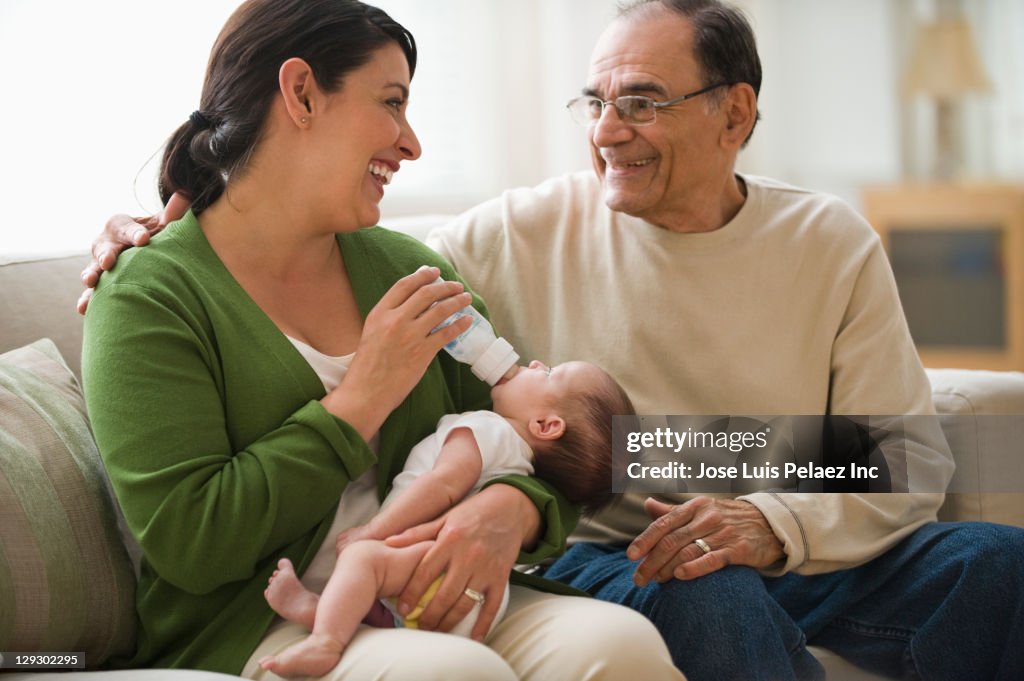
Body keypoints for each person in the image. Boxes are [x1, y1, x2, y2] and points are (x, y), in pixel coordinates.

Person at [82, 1, 1024, 680]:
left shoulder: (827, 240)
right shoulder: (513, 232)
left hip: (786, 542)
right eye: (595, 102)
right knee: (707, 592)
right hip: (622, 550)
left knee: (995, 562)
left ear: (733, 114)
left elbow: (901, 453)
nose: (607, 131)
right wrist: (135, 233)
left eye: (644, 101)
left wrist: (769, 520)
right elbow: (294, 250)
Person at [78, 1, 684, 680]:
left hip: (433, 593)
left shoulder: (405, 268)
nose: (412, 142)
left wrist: (512, 507)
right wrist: (361, 397)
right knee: (452, 673)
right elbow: (193, 541)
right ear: (301, 93)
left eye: (643, 104)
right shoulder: (150, 295)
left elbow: (558, 440)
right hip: (266, 620)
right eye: (392, 102)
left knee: (619, 643)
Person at [259, 359, 633, 677]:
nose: (535, 363)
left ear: (546, 426)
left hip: (432, 574)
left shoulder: (490, 431)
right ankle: (330, 613)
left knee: (363, 559)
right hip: (471, 602)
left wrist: (372, 531)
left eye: (549, 372)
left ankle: (327, 639)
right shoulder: (522, 464)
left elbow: (442, 485)